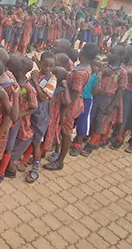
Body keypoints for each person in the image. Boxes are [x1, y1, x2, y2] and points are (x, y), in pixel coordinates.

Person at [44, 43, 99, 171]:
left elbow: (74, 94)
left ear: (83, 52)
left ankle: (60, 161)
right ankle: (56, 153)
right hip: (69, 102)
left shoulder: (80, 73)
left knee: (66, 132)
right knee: (63, 130)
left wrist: (64, 111)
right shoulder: (84, 67)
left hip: (70, 105)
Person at [0, 56, 37, 183]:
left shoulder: (28, 88)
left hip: (16, 120)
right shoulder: (11, 78)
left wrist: (19, 115)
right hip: (8, 117)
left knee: (9, 145)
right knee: (5, 143)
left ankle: (3, 172)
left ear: (21, 70)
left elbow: (34, 107)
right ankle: (4, 166)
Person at [24, 52, 57, 182]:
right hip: (28, 109)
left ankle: (35, 168)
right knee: (25, 135)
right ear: (40, 63)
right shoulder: (36, 73)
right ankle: (22, 158)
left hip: (40, 112)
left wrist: (35, 83)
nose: (48, 68)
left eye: (51, 66)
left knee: (37, 142)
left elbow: (43, 97)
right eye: (45, 65)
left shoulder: (52, 79)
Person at [110, 45, 132, 149]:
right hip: (117, 90)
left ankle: (119, 137)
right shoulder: (122, 63)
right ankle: (113, 133)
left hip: (127, 93)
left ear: (128, 55)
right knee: (114, 112)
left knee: (122, 115)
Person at [70, 59, 102, 156]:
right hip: (76, 99)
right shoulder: (84, 73)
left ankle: (77, 145)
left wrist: (99, 80)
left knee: (82, 123)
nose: (94, 67)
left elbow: (95, 92)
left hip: (86, 101)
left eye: (97, 66)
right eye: (93, 65)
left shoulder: (95, 78)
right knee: (71, 120)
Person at [43, 66, 71, 162]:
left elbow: (67, 102)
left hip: (54, 117)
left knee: (55, 134)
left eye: (55, 75)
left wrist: (66, 87)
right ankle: (42, 151)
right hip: (45, 114)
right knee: (44, 134)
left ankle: (56, 151)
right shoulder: (48, 84)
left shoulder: (61, 91)